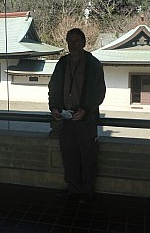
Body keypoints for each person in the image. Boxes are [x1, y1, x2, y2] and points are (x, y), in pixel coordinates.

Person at [48, 28, 106, 203]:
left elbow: (99, 92)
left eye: (77, 41)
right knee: (69, 156)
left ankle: (86, 191)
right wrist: (55, 108)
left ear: (84, 43)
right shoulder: (62, 63)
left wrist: (86, 110)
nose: (73, 45)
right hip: (66, 119)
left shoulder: (93, 64)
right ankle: (73, 188)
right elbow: (54, 87)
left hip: (85, 120)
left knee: (87, 156)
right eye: (70, 41)